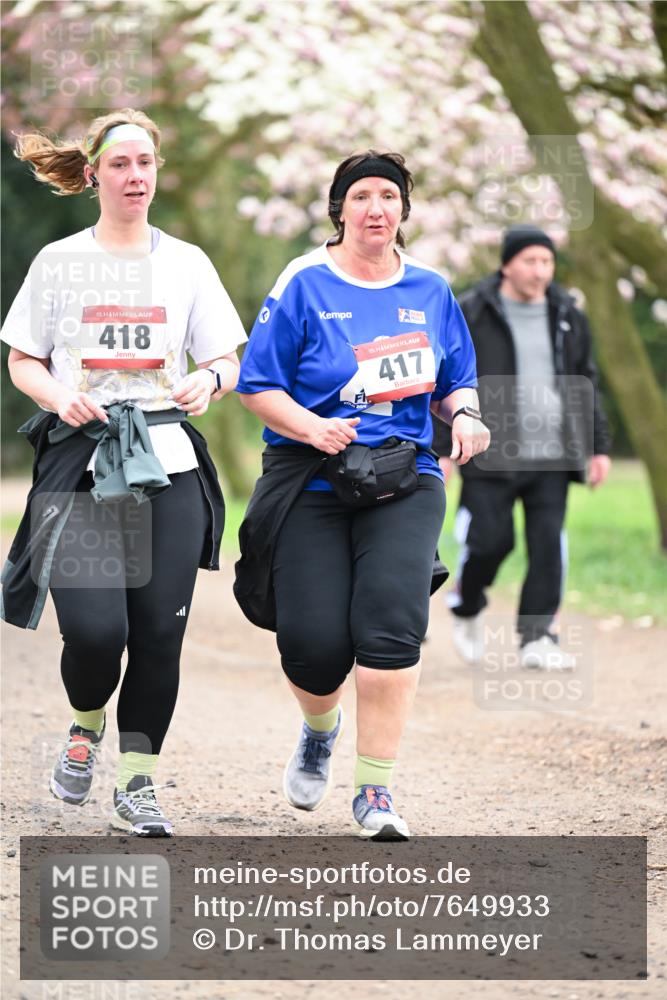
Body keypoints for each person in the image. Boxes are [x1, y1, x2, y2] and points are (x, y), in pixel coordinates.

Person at [1, 109, 246, 836]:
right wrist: (59, 397)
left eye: (145, 162)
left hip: (167, 461)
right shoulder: (59, 262)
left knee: (159, 636)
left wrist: (211, 380)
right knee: (96, 633)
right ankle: (85, 725)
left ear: (156, 171)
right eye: (120, 164)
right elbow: (22, 360)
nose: (135, 175)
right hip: (82, 460)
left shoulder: (188, 263)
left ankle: (138, 783)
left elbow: (225, 358)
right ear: (94, 175)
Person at [234, 150, 489, 840]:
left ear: (404, 209)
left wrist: (465, 415)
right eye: (361, 196)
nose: (376, 209)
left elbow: (455, 381)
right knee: (313, 647)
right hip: (311, 476)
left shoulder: (430, 290)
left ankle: (374, 790)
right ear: (339, 208)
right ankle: (320, 729)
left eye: (388, 196)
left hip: (405, 478)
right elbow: (256, 384)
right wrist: (311, 426)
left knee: (388, 629)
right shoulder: (303, 282)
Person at [433, 224, 611, 670]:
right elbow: (445, 379)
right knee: (490, 542)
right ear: (507, 265)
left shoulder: (567, 312)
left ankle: (538, 637)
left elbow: (586, 379)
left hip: (554, 453)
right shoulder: (472, 310)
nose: (540, 271)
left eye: (547, 261)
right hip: (489, 450)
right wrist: (442, 448)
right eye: (530, 260)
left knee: (548, 547)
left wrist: (598, 446)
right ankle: (468, 601)